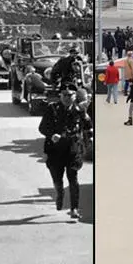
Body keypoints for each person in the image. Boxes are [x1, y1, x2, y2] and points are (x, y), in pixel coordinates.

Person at [39, 84, 89, 220]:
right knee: (57, 178)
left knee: (73, 179)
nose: (68, 98)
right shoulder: (52, 109)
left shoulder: (79, 110)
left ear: (75, 96)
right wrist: (51, 135)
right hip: (55, 150)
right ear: (60, 96)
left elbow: (88, 127)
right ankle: (59, 193)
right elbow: (42, 128)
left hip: (72, 149)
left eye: (71, 95)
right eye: (65, 95)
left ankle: (74, 208)